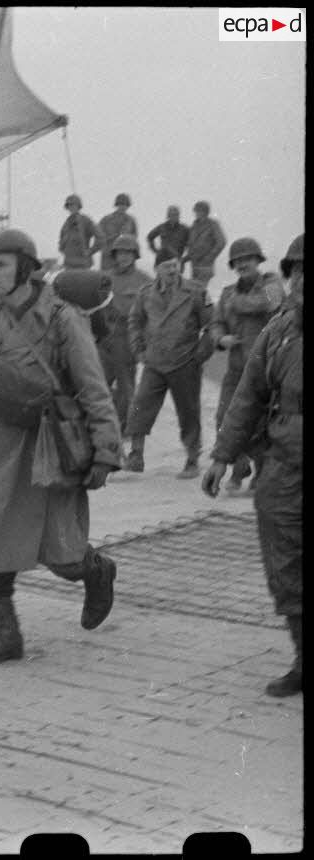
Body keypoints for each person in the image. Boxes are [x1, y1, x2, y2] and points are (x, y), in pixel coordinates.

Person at [0, 229, 122, 669]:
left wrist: (106, 450)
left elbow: (93, 388)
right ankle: (6, 634)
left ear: (26, 268)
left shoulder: (61, 318)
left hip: (51, 445)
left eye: (1, 264)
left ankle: (95, 571)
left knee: (62, 553)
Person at [203, 251, 302, 697]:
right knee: (283, 562)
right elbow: (248, 397)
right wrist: (223, 456)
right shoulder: (278, 332)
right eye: (299, 272)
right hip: (283, 464)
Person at [125, 249, 213, 478]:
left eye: (175, 265)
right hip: (154, 362)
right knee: (140, 406)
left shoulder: (195, 291)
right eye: (167, 266)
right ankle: (135, 455)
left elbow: (212, 325)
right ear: (157, 270)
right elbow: (134, 320)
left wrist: (200, 355)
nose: (173, 270)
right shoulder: (145, 293)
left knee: (188, 412)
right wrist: (138, 349)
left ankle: (192, 460)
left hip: (184, 362)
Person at [208, 238, 286, 494]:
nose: (243, 264)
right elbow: (216, 323)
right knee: (224, 419)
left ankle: (261, 472)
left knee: (260, 425)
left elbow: (272, 303)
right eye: (238, 261)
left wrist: (238, 304)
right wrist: (221, 338)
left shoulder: (272, 283)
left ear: (258, 261)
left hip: (265, 370)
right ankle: (240, 467)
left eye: (248, 259)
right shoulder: (228, 293)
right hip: (235, 368)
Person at [97, 234, 152, 459]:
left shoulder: (143, 280)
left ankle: (129, 442)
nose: (123, 257)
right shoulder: (104, 278)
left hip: (127, 339)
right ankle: (104, 437)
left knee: (128, 391)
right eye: (120, 253)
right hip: (104, 339)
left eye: (128, 253)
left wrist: (143, 343)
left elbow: (150, 314)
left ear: (135, 256)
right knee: (99, 388)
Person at [185, 200, 228, 289]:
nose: (197, 213)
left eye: (200, 211)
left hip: (205, 266)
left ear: (206, 212)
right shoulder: (194, 226)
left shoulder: (212, 224)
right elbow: (192, 246)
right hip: (194, 266)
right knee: (194, 291)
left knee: (199, 290)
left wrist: (210, 256)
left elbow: (221, 242)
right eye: (196, 211)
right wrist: (184, 259)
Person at [97, 193, 139, 273]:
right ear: (117, 205)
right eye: (121, 204)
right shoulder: (106, 220)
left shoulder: (131, 221)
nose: (123, 207)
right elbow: (98, 237)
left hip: (125, 256)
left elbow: (134, 238)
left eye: (125, 205)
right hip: (108, 256)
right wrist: (113, 237)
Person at [59, 194, 101, 270]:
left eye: (73, 205)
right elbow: (61, 244)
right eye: (69, 205)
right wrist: (64, 250)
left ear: (78, 206)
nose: (71, 207)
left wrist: (90, 251)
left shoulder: (86, 221)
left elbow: (100, 238)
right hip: (68, 264)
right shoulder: (66, 224)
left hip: (83, 264)